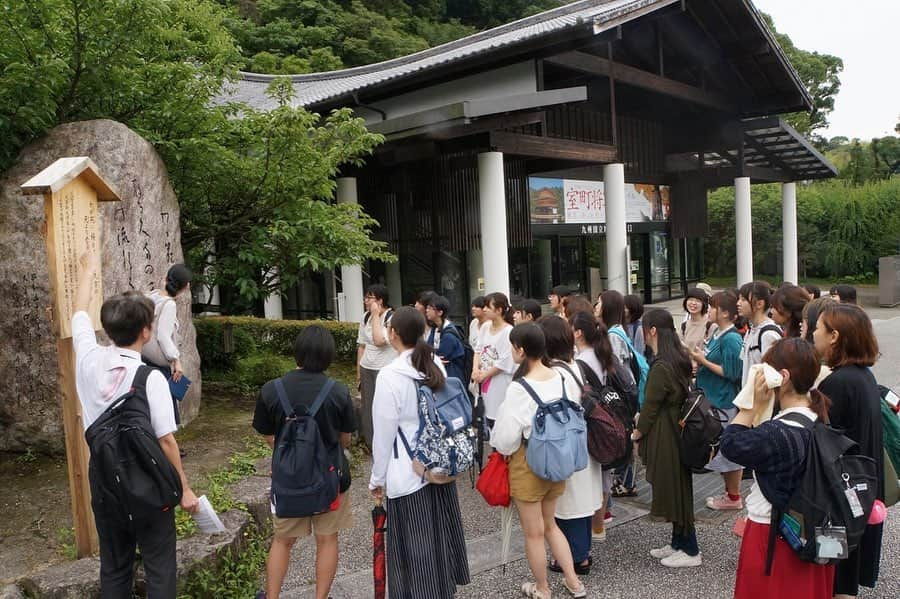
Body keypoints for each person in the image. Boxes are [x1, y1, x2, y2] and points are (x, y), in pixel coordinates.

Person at [72, 253, 199, 597]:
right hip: (149, 486)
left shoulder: (87, 360)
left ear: (109, 327)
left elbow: (80, 315)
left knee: (114, 568)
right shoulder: (148, 379)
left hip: (105, 482)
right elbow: (167, 442)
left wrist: (85, 272)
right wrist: (184, 490)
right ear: (146, 331)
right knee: (160, 567)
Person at [720, 338, 836, 598]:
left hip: (775, 535)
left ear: (782, 376)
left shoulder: (777, 433)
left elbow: (730, 444)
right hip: (813, 532)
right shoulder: (819, 416)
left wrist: (751, 404)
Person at [368, 307, 470, 599]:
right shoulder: (433, 361)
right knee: (439, 543)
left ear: (393, 334)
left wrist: (377, 480)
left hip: (408, 472)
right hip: (438, 466)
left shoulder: (389, 376)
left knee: (415, 552)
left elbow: (383, 437)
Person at [253, 326, 356, 599]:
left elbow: (267, 434)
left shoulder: (272, 390)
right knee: (327, 538)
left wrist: (291, 456)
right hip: (330, 478)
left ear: (297, 352)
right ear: (328, 355)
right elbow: (344, 439)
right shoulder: (338, 391)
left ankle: (272, 597)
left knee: (283, 541)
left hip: (289, 479)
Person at [491, 323, 586, 599]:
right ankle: (573, 582)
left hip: (528, 463)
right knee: (551, 524)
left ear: (521, 350)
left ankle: (543, 588)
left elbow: (506, 438)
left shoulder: (520, 388)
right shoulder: (561, 376)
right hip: (559, 460)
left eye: (513, 346)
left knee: (533, 533)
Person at [813, 304, 884, 598]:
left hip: (840, 496)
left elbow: (819, 440)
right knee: (847, 572)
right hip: (863, 489)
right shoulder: (863, 376)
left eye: (818, 327)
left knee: (836, 573)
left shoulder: (838, 383)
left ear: (834, 336)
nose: (813, 332)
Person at [632, 309, 700, 568]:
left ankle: (691, 549)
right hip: (677, 429)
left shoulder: (661, 365)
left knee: (674, 489)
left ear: (651, 331)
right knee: (678, 487)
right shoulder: (677, 357)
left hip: (666, 433)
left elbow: (650, 406)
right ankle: (678, 542)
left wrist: (637, 433)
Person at [538, 315, 603, 576]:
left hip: (567, 443)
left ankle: (576, 558)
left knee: (570, 504)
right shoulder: (573, 364)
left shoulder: (554, 372)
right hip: (582, 440)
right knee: (580, 501)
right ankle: (581, 552)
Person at [690, 291, 745, 511]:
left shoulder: (731, 337)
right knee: (721, 450)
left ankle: (733, 497)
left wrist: (702, 360)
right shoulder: (717, 332)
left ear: (724, 312)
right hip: (712, 399)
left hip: (723, 401)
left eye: (713, 307)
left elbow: (731, 372)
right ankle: (730, 494)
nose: (709, 310)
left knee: (727, 451)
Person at [142, 263, 192, 430]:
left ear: (165, 279)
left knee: (151, 405)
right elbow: (163, 337)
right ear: (186, 287)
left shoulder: (150, 296)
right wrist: (176, 360)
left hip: (144, 358)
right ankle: (167, 447)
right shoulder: (169, 305)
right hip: (160, 363)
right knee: (165, 407)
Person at [356, 284, 397, 448]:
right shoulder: (365, 317)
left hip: (384, 369)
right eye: (365, 297)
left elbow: (380, 341)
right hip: (367, 367)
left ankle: (387, 442)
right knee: (368, 406)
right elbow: (362, 345)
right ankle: (370, 443)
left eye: (369, 297)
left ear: (380, 300)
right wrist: (358, 371)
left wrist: (375, 315)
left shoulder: (391, 318)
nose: (366, 301)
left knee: (384, 406)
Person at [472, 292, 516, 429]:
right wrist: (475, 369)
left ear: (499, 310)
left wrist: (483, 375)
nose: (484, 309)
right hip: (483, 379)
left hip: (499, 381)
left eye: (487, 307)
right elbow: (478, 350)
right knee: (486, 417)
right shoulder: (485, 327)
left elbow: (504, 362)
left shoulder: (508, 331)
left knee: (498, 418)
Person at [737, 281, 783, 387]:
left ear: (759, 304)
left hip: (760, 399)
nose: (738, 303)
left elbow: (773, 376)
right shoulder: (751, 330)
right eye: (739, 299)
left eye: (743, 300)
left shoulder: (768, 334)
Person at [425, 294, 467, 383]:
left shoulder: (449, 335)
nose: (426, 310)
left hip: (452, 376)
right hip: (441, 375)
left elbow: (440, 356)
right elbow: (428, 350)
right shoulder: (435, 328)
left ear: (440, 312)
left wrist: (432, 357)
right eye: (427, 308)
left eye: (430, 308)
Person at [679, 287, 711, 353]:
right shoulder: (684, 325)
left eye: (698, 301)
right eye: (690, 299)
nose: (693, 303)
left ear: (703, 304)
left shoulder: (710, 325)